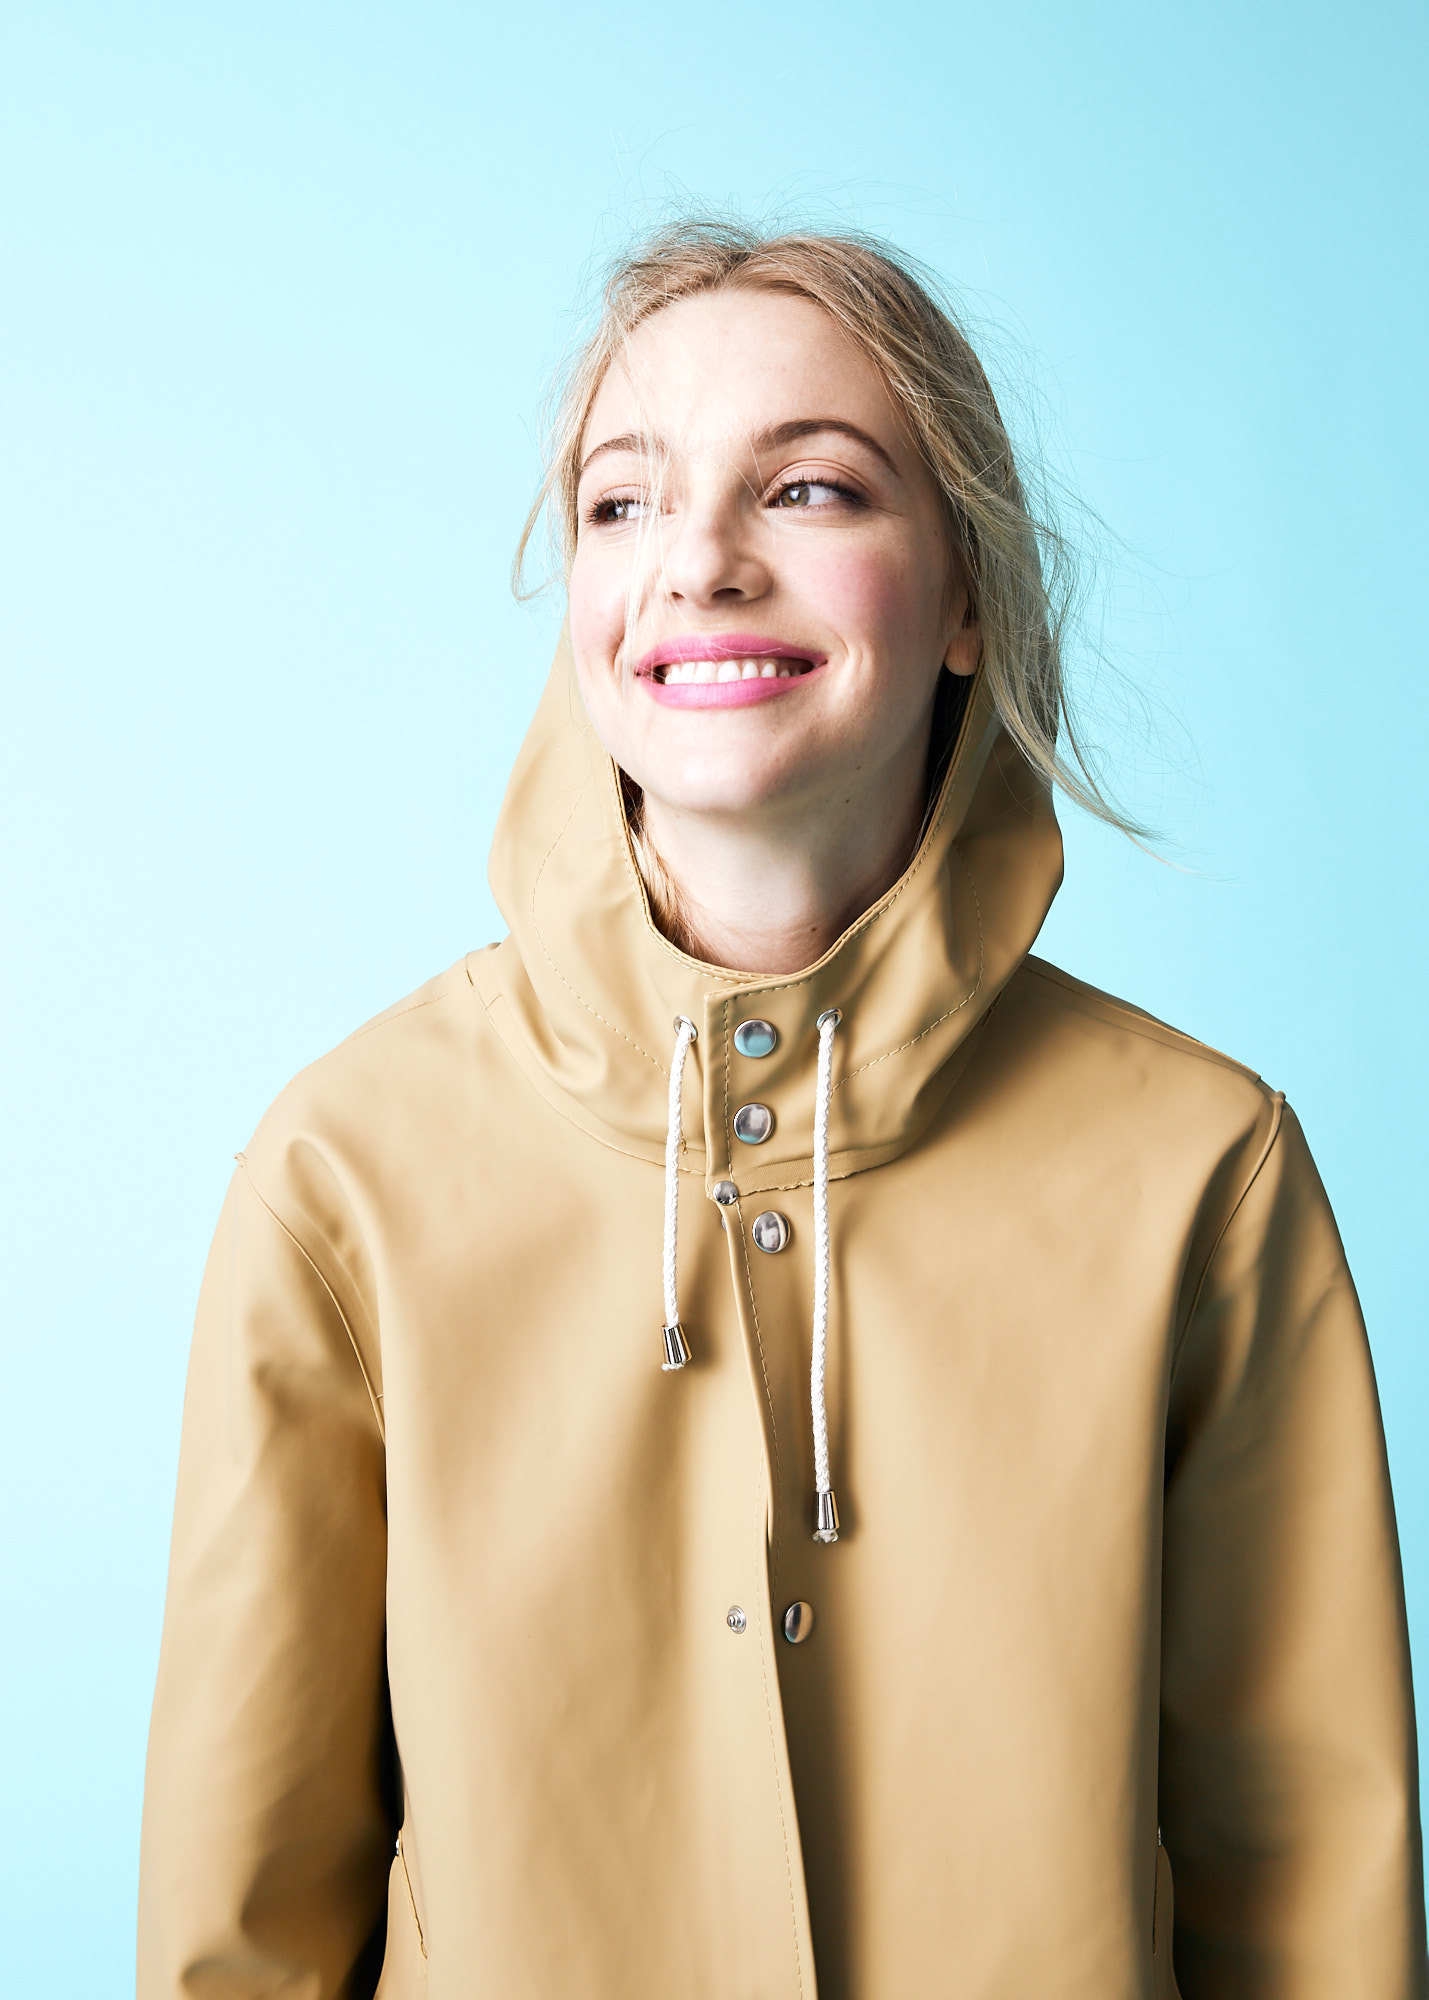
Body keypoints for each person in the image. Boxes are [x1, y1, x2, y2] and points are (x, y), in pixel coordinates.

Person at [137, 218, 1427, 1999]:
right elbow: (247, 1917)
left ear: (966, 596)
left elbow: (1309, 1893)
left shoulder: (1200, 1173)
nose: (701, 564)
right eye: (622, 501)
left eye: (808, 491)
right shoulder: (345, 1174)